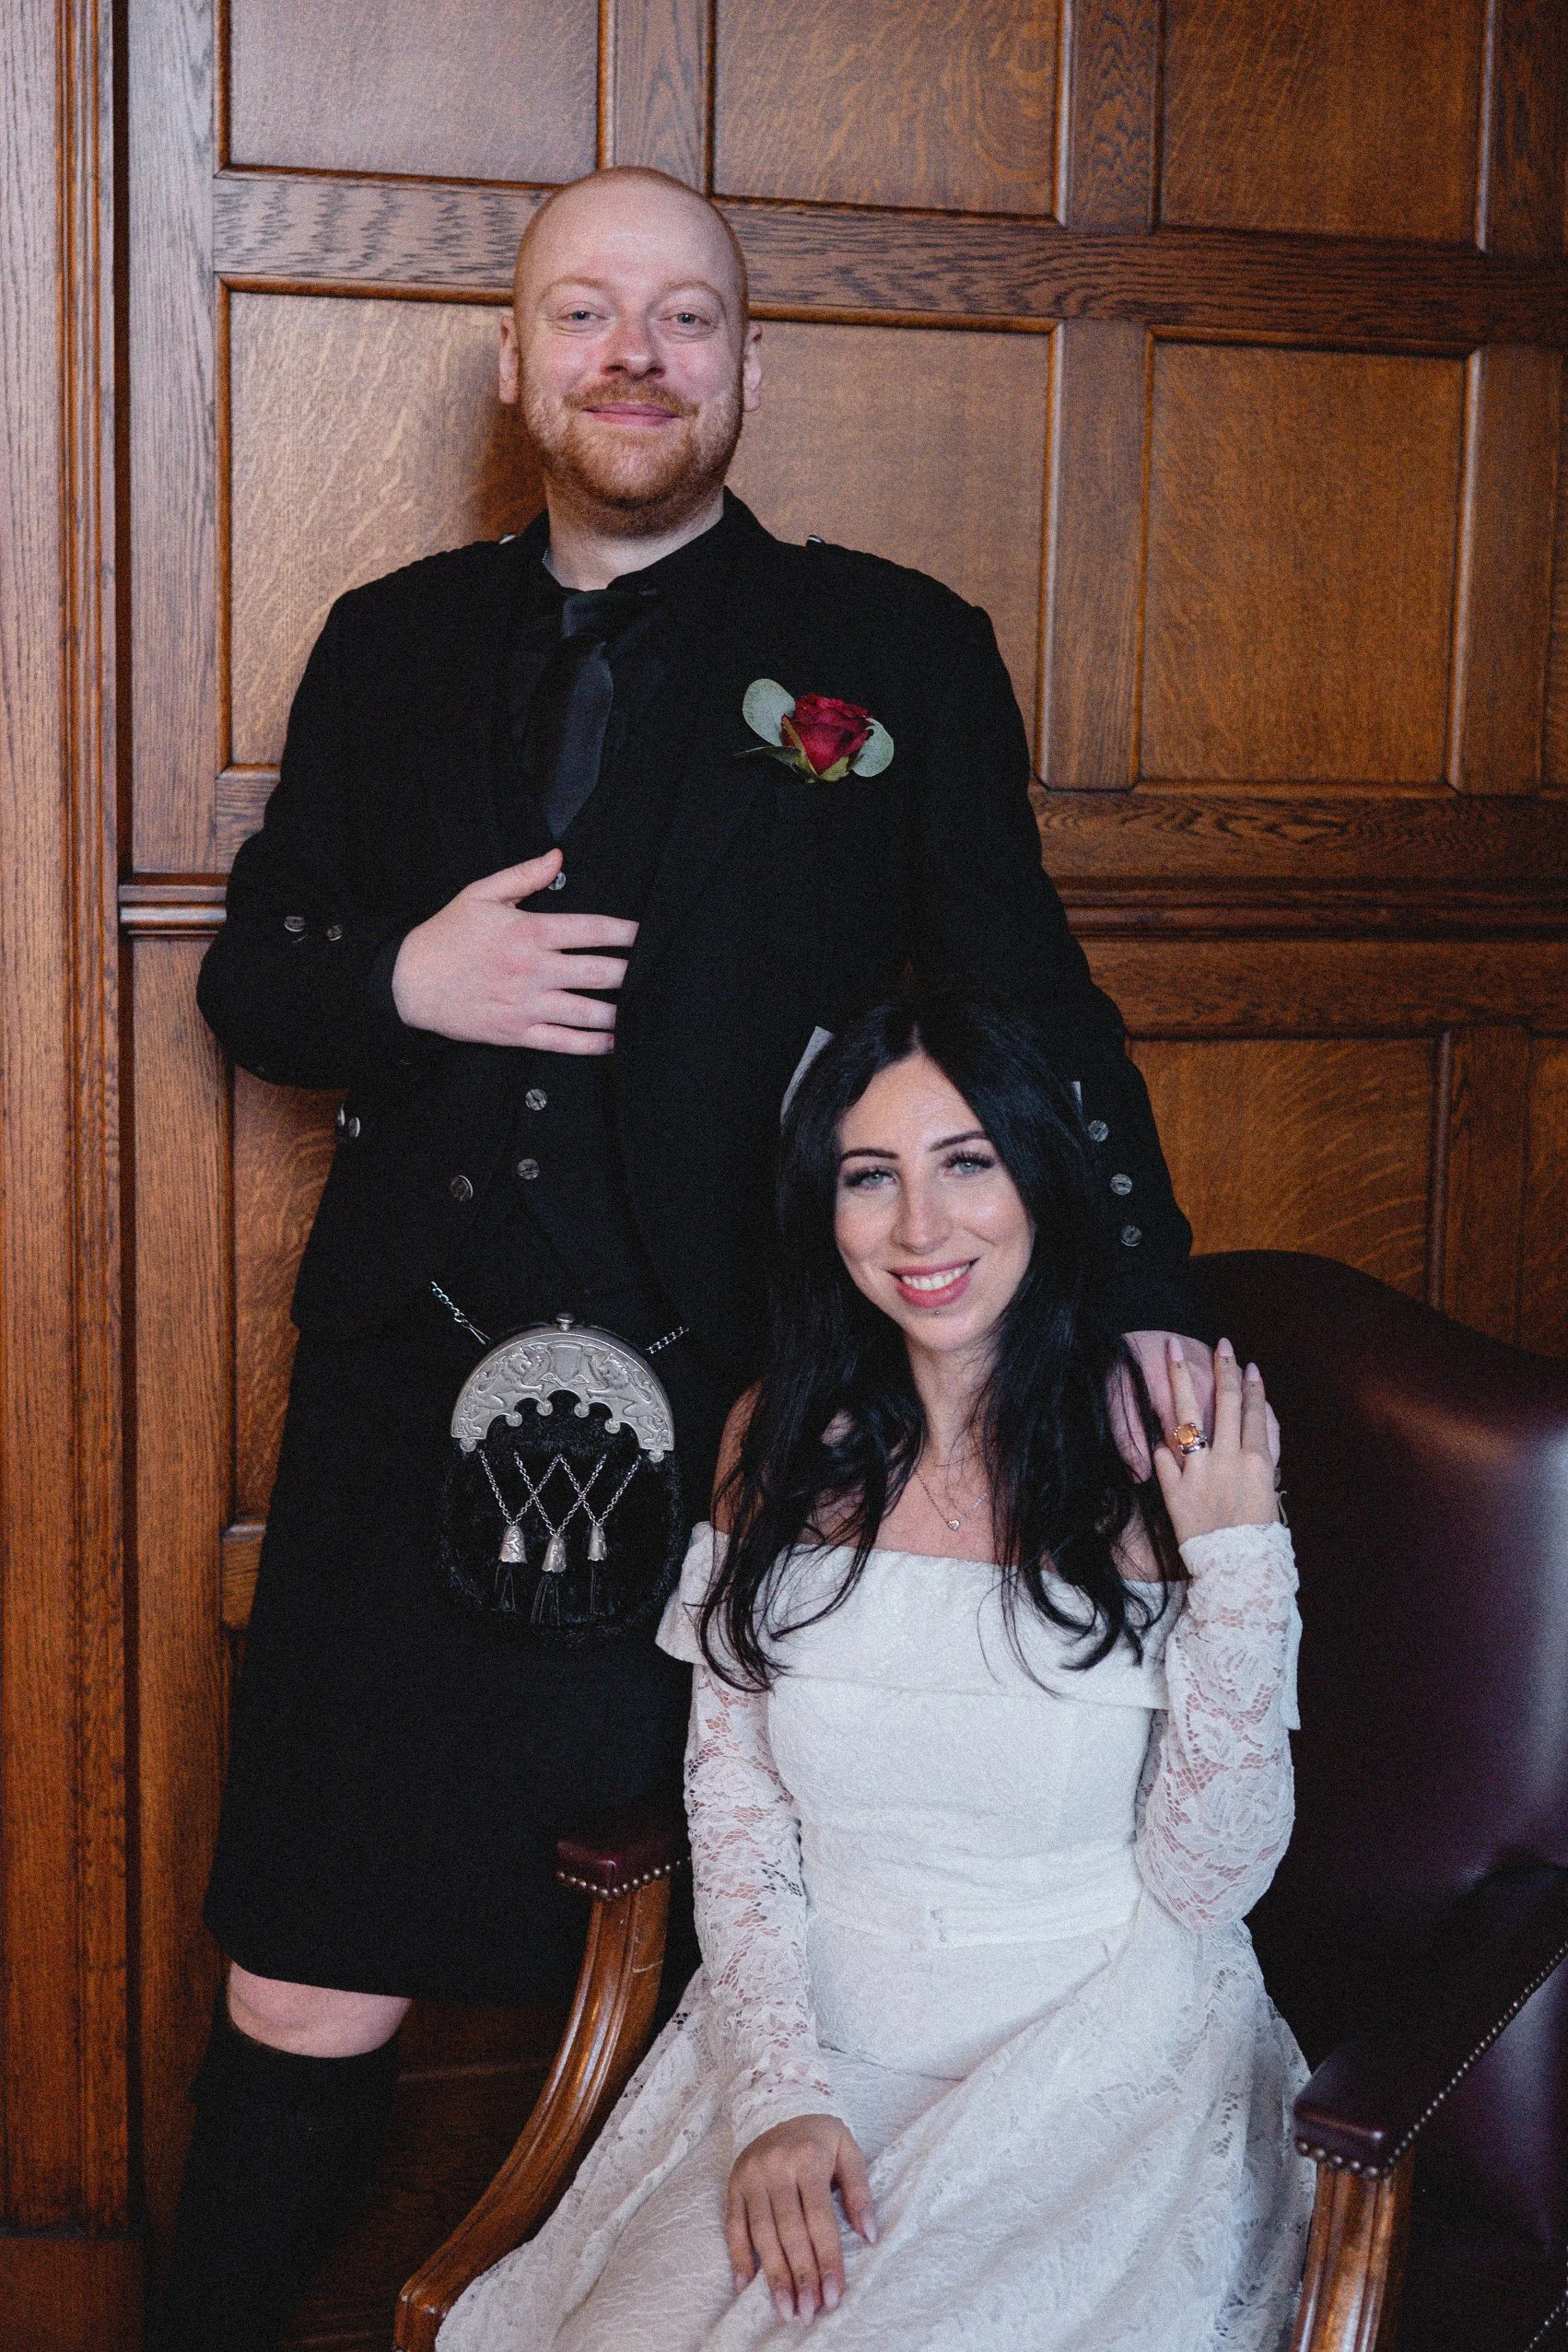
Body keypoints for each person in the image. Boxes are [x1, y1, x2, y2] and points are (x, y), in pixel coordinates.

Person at [163, 168, 1220, 2349]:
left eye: (682, 318)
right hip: (399, 1412)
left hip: (738, 1414)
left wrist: (1147, 1304)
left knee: (739, 1961)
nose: (631, 352)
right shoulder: (389, 639)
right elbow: (254, 979)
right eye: (584, 314)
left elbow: (1021, 992)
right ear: (515, 359)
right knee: (301, 1974)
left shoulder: (889, 648)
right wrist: (408, 980)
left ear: (748, 363)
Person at [441, 988, 1310, 2350]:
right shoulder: (773, 1440)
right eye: (869, 1177)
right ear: (822, 1209)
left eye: (966, 1161)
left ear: (1038, 1177)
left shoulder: (1168, 1449)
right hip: (817, 2034)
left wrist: (1243, 1564)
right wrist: (780, 2094)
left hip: (1093, 2056)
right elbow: (735, 1817)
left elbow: (1212, 1882)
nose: (920, 1228)